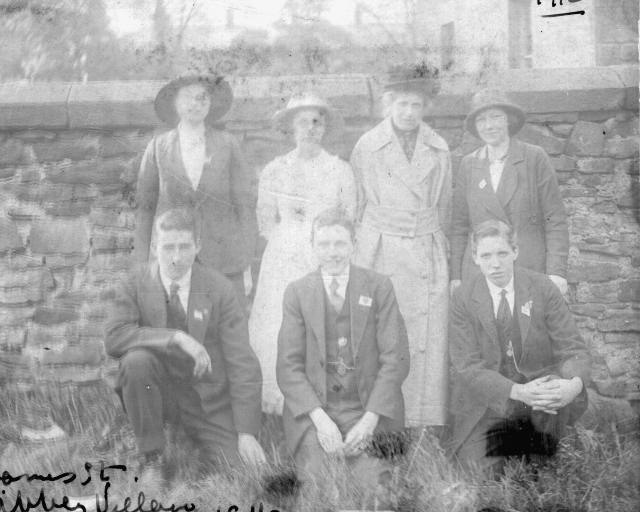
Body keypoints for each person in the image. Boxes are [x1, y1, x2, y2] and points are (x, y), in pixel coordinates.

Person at [105, 209, 266, 478]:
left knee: (240, 470)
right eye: (168, 247)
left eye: (184, 247)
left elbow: (241, 360)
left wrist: (246, 432)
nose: (176, 257)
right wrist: (175, 338)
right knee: (135, 361)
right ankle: (152, 458)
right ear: (155, 247)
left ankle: (190, 438)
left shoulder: (219, 287)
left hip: (204, 399)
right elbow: (114, 335)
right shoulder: (135, 282)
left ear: (198, 246)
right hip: (157, 393)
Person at [276, 208, 410, 499]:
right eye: (324, 244)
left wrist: (369, 422)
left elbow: (395, 359)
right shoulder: (297, 292)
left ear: (354, 245)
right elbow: (288, 367)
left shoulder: (379, 287)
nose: (332, 253)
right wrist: (321, 421)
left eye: (340, 243)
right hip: (316, 413)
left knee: (373, 489)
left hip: (367, 409)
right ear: (313, 246)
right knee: (318, 487)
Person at [449, 220, 591, 478]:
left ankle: (543, 454)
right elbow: (467, 367)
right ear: (475, 258)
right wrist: (518, 392)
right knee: (482, 477)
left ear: (515, 251)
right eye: (486, 256)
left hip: (540, 402)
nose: (495, 264)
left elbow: (573, 347)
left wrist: (573, 386)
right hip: (491, 403)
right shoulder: (463, 298)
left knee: (543, 475)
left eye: (502, 253)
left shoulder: (542, 287)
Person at [350, 66, 451, 428]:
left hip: (426, 246)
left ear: (426, 108)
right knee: (381, 332)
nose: (409, 112)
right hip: (380, 248)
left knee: (427, 337)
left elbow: (445, 206)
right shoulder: (368, 145)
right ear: (390, 104)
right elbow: (357, 203)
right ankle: (378, 420)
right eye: (402, 104)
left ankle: (423, 422)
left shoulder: (438, 147)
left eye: (416, 105)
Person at [249, 93, 356, 415]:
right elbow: (265, 218)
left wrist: (326, 248)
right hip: (284, 256)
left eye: (317, 122)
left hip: (326, 253)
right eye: (302, 122)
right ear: (291, 128)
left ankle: (323, 402)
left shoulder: (339, 169)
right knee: (278, 323)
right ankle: (278, 403)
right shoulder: (276, 169)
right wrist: (289, 243)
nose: (310, 129)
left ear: (324, 128)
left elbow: (349, 217)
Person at [133, 75, 258, 312]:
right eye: (188, 97)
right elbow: (144, 211)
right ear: (175, 102)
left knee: (226, 324)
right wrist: (142, 268)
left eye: (202, 98)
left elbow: (245, 207)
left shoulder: (227, 144)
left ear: (210, 104)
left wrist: (246, 263)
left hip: (224, 258)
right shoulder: (158, 147)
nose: (195, 104)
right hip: (175, 258)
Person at [449, 89, 569, 297]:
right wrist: (456, 275)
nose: (489, 126)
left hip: (526, 265)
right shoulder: (469, 164)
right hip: (480, 270)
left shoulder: (534, 158)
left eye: (496, 117)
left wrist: (556, 272)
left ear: (509, 121)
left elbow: (555, 219)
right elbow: (459, 226)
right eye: (481, 120)